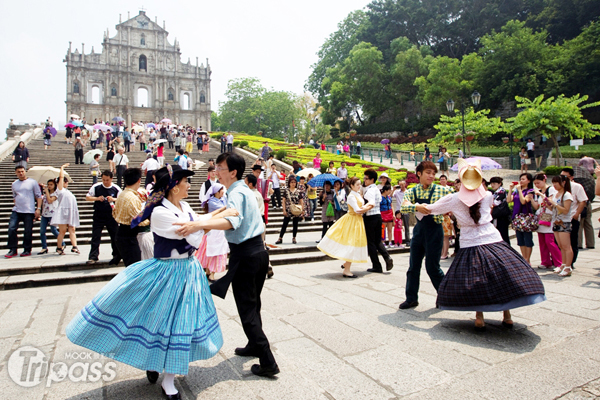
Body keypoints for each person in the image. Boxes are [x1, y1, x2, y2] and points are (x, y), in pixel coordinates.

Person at [67, 165, 230, 399]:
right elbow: (192, 237)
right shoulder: (160, 213)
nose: (189, 185)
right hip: (166, 273)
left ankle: (169, 379)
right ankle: (152, 361)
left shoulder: (183, 206)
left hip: (188, 271)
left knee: (180, 324)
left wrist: (215, 215)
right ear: (173, 186)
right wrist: (210, 220)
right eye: (185, 181)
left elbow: (197, 223)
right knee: (157, 320)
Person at [175, 152, 279, 377]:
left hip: (246, 255)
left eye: (220, 168)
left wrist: (197, 227)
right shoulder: (245, 191)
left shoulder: (235, 193)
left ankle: (268, 360)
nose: (216, 172)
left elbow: (232, 222)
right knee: (253, 303)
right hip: (258, 253)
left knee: (247, 309)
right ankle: (254, 344)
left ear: (233, 172)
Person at [418, 158, 546, 330]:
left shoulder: (454, 199)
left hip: (470, 242)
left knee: (475, 280)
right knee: (503, 276)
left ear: (462, 180)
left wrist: (414, 205)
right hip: (492, 239)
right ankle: (507, 315)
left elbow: (429, 209)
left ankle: (479, 316)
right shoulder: (487, 195)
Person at [399, 161, 452, 309]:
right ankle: (411, 298)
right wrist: (417, 206)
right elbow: (404, 206)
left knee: (432, 267)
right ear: (419, 174)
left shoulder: (442, 190)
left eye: (433, 173)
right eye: (428, 172)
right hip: (419, 231)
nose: (431, 176)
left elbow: (455, 202)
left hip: (435, 230)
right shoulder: (412, 191)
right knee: (413, 267)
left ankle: (445, 297)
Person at [317, 177, 369, 278]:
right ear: (352, 186)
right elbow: (357, 210)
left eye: (360, 184)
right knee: (351, 244)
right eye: (357, 184)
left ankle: (346, 265)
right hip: (352, 220)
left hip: (357, 220)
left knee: (353, 243)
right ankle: (347, 269)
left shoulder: (357, 194)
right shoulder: (351, 196)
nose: (359, 186)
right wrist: (368, 207)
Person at [112, 168, 148, 266]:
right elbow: (139, 220)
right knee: (135, 268)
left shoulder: (122, 194)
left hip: (122, 233)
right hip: (128, 236)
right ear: (139, 180)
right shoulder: (132, 198)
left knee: (132, 267)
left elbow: (114, 213)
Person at [86, 170, 122, 265]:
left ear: (111, 179)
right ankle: (93, 256)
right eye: (103, 180)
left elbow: (122, 199)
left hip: (111, 215)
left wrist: (113, 199)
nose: (105, 182)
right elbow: (87, 197)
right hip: (99, 214)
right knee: (96, 235)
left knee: (114, 236)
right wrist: (97, 198)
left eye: (107, 180)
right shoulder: (96, 187)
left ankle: (116, 255)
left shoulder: (116, 188)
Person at [5, 166, 42, 258]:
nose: (21, 173)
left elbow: (38, 196)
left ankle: (27, 249)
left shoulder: (32, 182)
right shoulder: (14, 184)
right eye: (18, 172)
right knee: (11, 228)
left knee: (28, 231)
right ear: (16, 173)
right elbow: (14, 196)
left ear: (25, 172)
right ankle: (13, 249)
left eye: (22, 171)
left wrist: (38, 209)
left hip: (29, 210)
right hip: (17, 210)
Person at [363, 169, 394, 273]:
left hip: (370, 217)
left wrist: (362, 209)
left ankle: (376, 265)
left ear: (372, 179)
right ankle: (387, 257)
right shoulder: (376, 189)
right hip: (378, 216)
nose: (364, 180)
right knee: (377, 240)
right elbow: (379, 201)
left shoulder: (370, 190)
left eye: (366, 178)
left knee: (371, 242)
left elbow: (370, 203)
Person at [543, 175, 575, 276]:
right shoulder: (556, 194)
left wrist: (554, 203)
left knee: (566, 246)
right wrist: (548, 204)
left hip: (564, 222)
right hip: (556, 221)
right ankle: (563, 264)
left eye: (556, 182)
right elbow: (554, 209)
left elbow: (565, 210)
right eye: (553, 183)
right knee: (560, 245)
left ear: (564, 182)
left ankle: (568, 267)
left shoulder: (567, 195)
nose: (554, 185)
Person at [197, 183, 229, 282]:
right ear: (217, 192)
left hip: (219, 229)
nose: (223, 192)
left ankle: (211, 272)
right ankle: (209, 272)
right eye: (221, 190)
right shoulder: (212, 202)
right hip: (213, 229)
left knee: (217, 250)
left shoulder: (223, 200)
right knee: (211, 250)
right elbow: (223, 210)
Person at [531, 174, 561, 270]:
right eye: (535, 183)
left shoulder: (551, 190)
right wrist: (532, 198)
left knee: (550, 241)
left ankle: (558, 263)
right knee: (542, 241)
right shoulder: (538, 192)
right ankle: (545, 261)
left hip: (549, 217)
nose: (537, 185)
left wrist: (541, 195)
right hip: (541, 217)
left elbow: (550, 204)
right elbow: (536, 206)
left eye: (538, 183)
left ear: (544, 180)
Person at [560, 167, 589, 267]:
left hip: (572, 217)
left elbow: (583, 201)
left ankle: (570, 262)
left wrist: (576, 214)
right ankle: (563, 262)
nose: (562, 179)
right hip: (560, 219)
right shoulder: (558, 187)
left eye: (565, 176)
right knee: (560, 242)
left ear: (571, 177)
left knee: (572, 241)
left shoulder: (577, 186)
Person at [51, 164, 81, 255]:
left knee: (72, 229)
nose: (67, 184)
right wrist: (62, 169)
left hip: (70, 212)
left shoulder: (68, 192)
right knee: (62, 231)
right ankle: (59, 247)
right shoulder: (60, 190)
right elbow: (61, 177)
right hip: (62, 212)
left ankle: (74, 246)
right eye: (65, 182)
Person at [508, 173, 535, 265]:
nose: (521, 181)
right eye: (520, 179)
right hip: (517, 217)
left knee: (527, 239)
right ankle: (524, 258)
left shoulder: (530, 191)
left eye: (523, 179)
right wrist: (511, 189)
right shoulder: (516, 191)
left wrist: (520, 190)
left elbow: (523, 201)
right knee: (520, 239)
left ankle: (528, 259)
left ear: (529, 181)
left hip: (525, 217)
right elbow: (508, 200)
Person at [276, 175, 304, 244]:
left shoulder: (298, 191)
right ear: (289, 183)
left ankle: (294, 238)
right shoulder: (286, 191)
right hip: (288, 209)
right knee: (284, 224)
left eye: (294, 182)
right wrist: (284, 210)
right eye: (291, 182)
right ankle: (280, 238)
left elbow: (301, 201)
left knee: (295, 224)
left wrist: (302, 210)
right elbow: (283, 201)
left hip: (296, 210)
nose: (293, 183)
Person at [38, 179, 63, 255]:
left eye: (51, 185)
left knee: (53, 230)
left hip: (52, 214)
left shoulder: (56, 193)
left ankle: (62, 243)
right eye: (48, 184)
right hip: (44, 214)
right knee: (42, 231)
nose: (49, 186)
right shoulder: (45, 194)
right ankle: (44, 247)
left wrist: (46, 192)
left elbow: (50, 201)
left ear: (54, 185)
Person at [489, 177, 511, 244]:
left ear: (499, 184)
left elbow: (495, 203)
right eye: (491, 183)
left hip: (502, 216)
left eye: (494, 183)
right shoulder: (496, 192)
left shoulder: (501, 191)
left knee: (503, 235)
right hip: (498, 216)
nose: (492, 185)